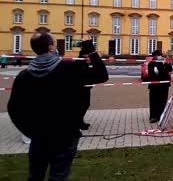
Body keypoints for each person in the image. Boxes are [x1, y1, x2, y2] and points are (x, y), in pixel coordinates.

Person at [7, 32, 108, 181]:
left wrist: (29, 131)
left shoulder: (24, 75)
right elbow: (101, 75)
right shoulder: (68, 68)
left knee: (35, 176)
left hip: (39, 136)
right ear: (50, 48)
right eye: (54, 43)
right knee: (58, 176)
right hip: (65, 134)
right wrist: (91, 50)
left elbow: (14, 109)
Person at [148, 50, 173, 123]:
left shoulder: (164, 63)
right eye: (157, 55)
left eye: (160, 55)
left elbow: (170, 69)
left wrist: (166, 63)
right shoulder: (151, 64)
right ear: (154, 56)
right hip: (154, 86)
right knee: (153, 101)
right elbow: (153, 74)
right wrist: (161, 65)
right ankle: (153, 116)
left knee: (162, 101)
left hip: (164, 86)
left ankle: (161, 115)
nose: (159, 57)